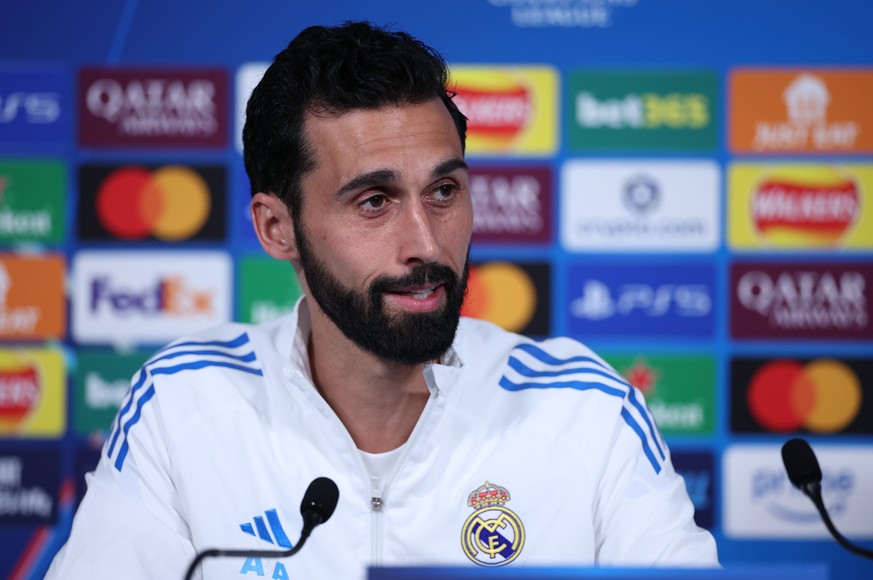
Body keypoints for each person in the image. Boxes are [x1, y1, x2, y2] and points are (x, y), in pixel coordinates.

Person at [47, 21, 718, 579]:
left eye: (444, 192)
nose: (425, 243)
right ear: (276, 229)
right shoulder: (184, 403)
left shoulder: (587, 413)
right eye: (374, 202)